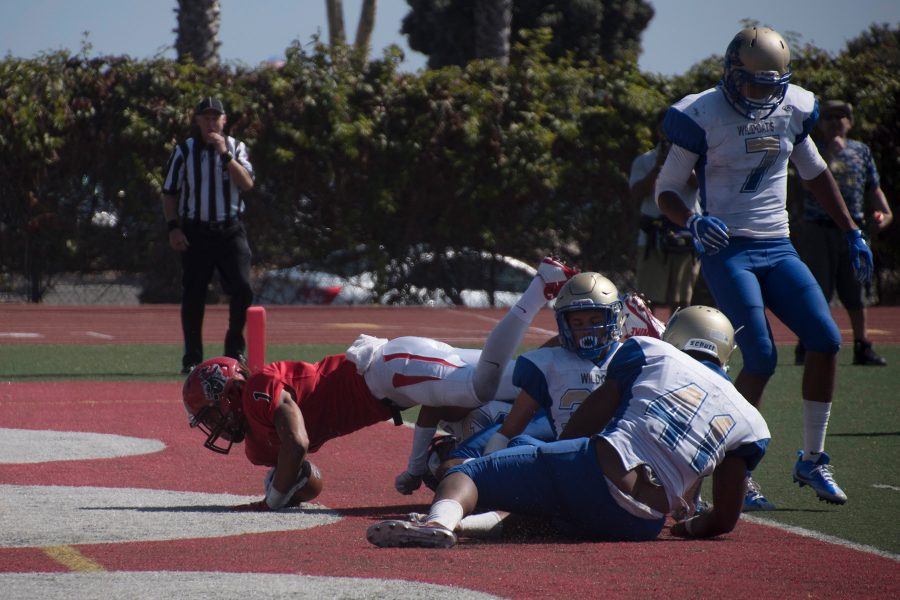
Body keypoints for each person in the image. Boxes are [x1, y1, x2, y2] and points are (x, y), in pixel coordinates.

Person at [655, 27, 874, 508]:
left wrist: (852, 229)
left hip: (778, 244)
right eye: (751, 84)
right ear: (731, 75)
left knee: (826, 340)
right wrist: (692, 221)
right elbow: (666, 187)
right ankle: (733, 469)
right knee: (760, 357)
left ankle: (812, 458)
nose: (760, 95)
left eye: (769, 86)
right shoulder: (701, 113)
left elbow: (814, 173)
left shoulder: (793, 105)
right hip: (728, 247)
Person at [180, 257, 578, 511]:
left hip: (386, 371)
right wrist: (288, 487)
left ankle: (539, 287)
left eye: (210, 413)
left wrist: (272, 500)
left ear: (229, 392)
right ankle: (613, 339)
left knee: (482, 388)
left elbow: (298, 443)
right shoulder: (257, 444)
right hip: (397, 383)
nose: (214, 425)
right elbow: (309, 478)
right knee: (528, 375)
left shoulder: (257, 390)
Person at [366, 306, 771, 547]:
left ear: (677, 335)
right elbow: (723, 520)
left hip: (598, 466)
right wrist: (686, 528)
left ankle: (439, 522)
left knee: (469, 473)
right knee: (544, 519)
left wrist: (561, 462)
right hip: (643, 522)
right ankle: (464, 526)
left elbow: (593, 415)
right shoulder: (753, 421)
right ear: (725, 353)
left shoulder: (652, 351)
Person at [795, 99, 894, 366]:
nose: (836, 121)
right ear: (820, 124)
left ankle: (862, 345)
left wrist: (885, 213)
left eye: (841, 116)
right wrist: (830, 156)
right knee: (816, 290)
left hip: (852, 231)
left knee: (856, 290)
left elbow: (872, 186)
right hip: (819, 229)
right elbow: (806, 185)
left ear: (850, 122)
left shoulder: (861, 151)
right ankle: (807, 342)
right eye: (829, 117)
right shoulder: (812, 149)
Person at [162, 96, 256, 375]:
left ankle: (234, 350)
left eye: (216, 118)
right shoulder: (184, 151)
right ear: (198, 121)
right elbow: (169, 192)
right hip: (196, 231)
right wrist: (173, 227)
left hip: (230, 229)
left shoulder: (237, 147)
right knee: (194, 293)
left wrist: (225, 154)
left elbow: (247, 183)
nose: (211, 123)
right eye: (206, 118)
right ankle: (192, 357)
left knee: (243, 288)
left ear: (224, 121)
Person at [630, 108, 701, 313]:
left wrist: (678, 161)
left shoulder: (694, 159)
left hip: (685, 237)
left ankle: (676, 341)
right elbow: (636, 193)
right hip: (654, 237)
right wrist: (658, 167)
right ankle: (647, 339)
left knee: (682, 300)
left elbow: (698, 184)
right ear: (658, 130)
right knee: (646, 299)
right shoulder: (644, 161)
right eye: (665, 127)